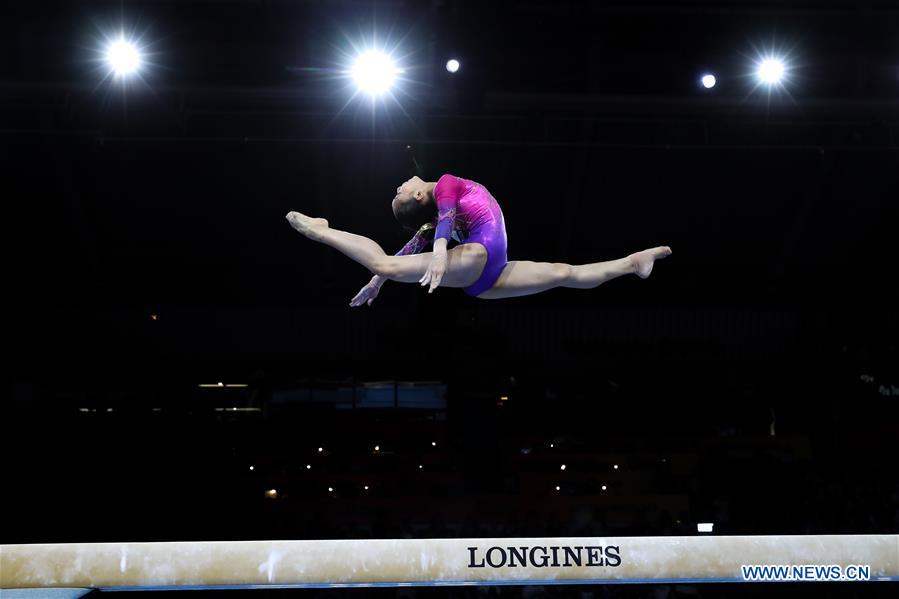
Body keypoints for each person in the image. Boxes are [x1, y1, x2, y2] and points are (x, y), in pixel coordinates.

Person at [285, 173, 671, 305]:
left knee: (563, 272)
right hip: (477, 256)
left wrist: (378, 282)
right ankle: (322, 230)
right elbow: (430, 231)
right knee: (383, 262)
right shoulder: (446, 185)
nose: (399, 185)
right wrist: (379, 277)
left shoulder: (441, 212)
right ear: (419, 196)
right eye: (400, 192)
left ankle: (630, 263)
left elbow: (419, 242)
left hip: (491, 275)